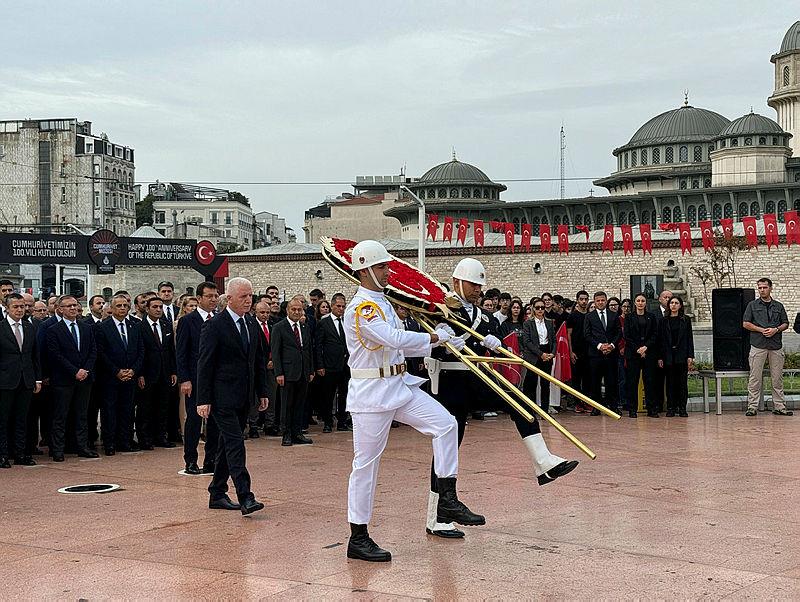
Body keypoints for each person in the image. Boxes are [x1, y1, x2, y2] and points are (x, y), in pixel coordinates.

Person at [344, 240, 481, 562]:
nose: (388, 271)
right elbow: (392, 338)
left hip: (399, 384)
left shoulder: (385, 303)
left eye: (386, 266)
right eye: (381, 267)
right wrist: (434, 338)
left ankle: (447, 495)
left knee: (446, 425)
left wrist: (448, 339)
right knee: (365, 467)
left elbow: (401, 347)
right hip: (371, 394)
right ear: (364, 270)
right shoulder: (362, 307)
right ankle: (358, 536)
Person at [426, 258, 576, 540]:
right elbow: (426, 345)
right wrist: (442, 343)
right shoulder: (440, 310)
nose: (477, 290)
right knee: (448, 449)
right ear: (457, 281)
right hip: (450, 382)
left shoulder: (483, 316)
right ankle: (436, 517)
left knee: (519, 400)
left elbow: (494, 341)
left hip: (477, 378)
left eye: (479, 286)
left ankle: (543, 462)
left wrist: (494, 343)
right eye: (472, 285)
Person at [197, 277, 269, 516]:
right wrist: (203, 399)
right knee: (236, 443)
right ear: (229, 299)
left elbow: (257, 361)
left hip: (244, 396)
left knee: (228, 445)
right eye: (243, 296)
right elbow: (205, 364)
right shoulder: (215, 325)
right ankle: (245, 496)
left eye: (250, 296)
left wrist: (262, 392)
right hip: (221, 398)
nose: (248, 301)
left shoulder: (251, 324)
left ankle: (217, 492)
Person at [46, 295, 99, 461]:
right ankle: (58, 450)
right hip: (63, 380)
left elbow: (93, 351)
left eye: (75, 305)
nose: (73, 308)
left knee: (82, 415)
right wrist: (74, 371)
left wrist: (85, 370)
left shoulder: (86, 328)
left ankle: (82, 447)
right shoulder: (53, 330)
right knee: (60, 416)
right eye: (69, 306)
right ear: (60, 309)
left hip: (84, 379)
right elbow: (55, 355)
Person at [176, 281, 220, 475]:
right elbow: (181, 353)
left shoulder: (220, 319)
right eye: (209, 296)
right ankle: (191, 460)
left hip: (217, 380)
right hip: (194, 380)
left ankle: (211, 459)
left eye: (215, 296)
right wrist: (184, 379)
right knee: (194, 420)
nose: (213, 300)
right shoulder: (188, 321)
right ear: (199, 298)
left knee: (215, 422)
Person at [94, 294, 144, 454]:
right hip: (110, 377)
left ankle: (125, 440)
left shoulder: (134, 326)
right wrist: (116, 371)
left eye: (125, 306)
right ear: (112, 308)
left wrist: (133, 370)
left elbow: (140, 351)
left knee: (127, 410)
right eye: (119, 306)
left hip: (130, 376)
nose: (122, 308)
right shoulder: (102, 327)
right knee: (109, 411)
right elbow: (101, 353)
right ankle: (109, 443)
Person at [0, 293, 41, 467]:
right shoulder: (1, 327)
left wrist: (37, 379)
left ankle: (20, 454)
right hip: (5, 381)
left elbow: (35, 355)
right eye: (15, 307)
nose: (19, 310)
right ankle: (2, 455)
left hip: (26, 380)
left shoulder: (29, 327)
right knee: (2, 420)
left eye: (22, 306)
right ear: (7, 308)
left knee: (21, 419)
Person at [742, 278, 792, 417]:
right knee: (755, 378)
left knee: (777, 378)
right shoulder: (752, 305)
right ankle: (752, 407)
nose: (762, 290)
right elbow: (746, 323)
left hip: (775, 345)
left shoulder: (778, 306)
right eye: (759, 288)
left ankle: (780, 407)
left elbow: (785, 323)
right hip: (758, 344)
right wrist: (760, 329)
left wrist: (776, 329)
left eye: (764, 287)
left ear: (770, 288)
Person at [271, 297, 314, 446]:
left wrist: (310, 370)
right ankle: (286, 433)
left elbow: (308, 350)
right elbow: (275, 352)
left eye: (299, 309)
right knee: (287, 404)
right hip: (287, 372)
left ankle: (298, 432)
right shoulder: (279, 327)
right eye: (293, 309)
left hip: (303, 372)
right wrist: (279, 373)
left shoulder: (304, 327)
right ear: (288, 310)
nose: (296, 312)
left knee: (300, 403)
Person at [138, 296, 178, 447]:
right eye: (154, 307)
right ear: (147, 309)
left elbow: (171, 350)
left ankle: (160, 436)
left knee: (163, 406)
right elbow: (139, 351)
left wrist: (173, 371)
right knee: (145, 407)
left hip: (165, 372)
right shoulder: (139, 327)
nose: (158, 310)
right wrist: (140, 374)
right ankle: (144, 438)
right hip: (148, 373)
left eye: (160, 307)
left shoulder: (166, 325)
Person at [314, 293, 351, 433]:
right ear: (332, 305)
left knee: (344, 394)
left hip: (345, 364)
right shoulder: (324, 322)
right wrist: (320, 365)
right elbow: (318, 345)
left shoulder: (347, 322)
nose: (341, 309)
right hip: (329, 365)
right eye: (338, 306)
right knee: (328, 395)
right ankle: (328, 422)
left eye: (343, 306)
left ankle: (342, 421)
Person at [583, 291, 622, 415]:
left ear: (606, 301)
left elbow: (618, 333)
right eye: (598, 300)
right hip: (595, 354)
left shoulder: (614, 315)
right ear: (594, 301)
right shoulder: (589, 316)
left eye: (602, 300)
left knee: (612, 380)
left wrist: (611, 345)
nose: (600, 302)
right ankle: (596, 407)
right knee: (595, 381)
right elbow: (587, 334)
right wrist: (599, 346)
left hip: (611, 354)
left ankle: (613, 405)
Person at [658, 296, 694, 417]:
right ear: (668, 305)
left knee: (682, 383)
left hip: (682, 354)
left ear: (680, 305)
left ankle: (682, 408)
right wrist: (660, 357)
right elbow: (661, 340)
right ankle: (671, 407)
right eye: (671, 303)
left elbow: (689, 338)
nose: (673, 305)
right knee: (670, 383)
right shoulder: (663, 321)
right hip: (668, 355)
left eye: (676, 303)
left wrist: (690, 355)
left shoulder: (686, 319)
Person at [623, 294, 658, 418]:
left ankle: (651, 409)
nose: (640, 303)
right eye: (638, 300)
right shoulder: (629, 318)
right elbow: (627, 335)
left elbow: (654, 334)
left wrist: (645, 347)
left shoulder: (651, 317)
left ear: (646, 303)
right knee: (633, 382)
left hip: (649, 353)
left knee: (650, 382)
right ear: (635, 303)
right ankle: (632, 409)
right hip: (633, 354)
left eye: (643, 301)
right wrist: (637, 349)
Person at [521, 298, 556, 414]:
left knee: (545, 384)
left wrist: (552, 353)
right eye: (537, 308)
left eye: (542, 307)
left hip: (547, 353)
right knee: (531, 383)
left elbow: (554, 340)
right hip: (534, 355)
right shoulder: (528, 323)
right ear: (533, 309)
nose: (540, 310)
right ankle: (530, 410)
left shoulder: (550, 322)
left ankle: (545, 411)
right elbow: (527, 342)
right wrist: (541, 354)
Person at [252, 300, 279, 436]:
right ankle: (253, 424)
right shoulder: (251, 325)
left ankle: (270, 423)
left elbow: (278, 345)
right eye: (262, 312)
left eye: (267, 312)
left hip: (272, 366)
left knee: (272, 395)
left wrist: (273, 360)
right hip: (257, 367)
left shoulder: (274, 325)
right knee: (256, 396)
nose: (265, 315)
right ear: (255, 312)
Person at [566, 291, 591, 413]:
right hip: (576, 351)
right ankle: (577, 403)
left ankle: (586, 402)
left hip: (589, 352)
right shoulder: (572, 316)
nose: (584, 301)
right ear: (577, 300)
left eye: (586, 299)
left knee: (588, 379)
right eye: (581, 299)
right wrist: (571, 351)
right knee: (576, 379)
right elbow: (568, 334)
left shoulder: (591, 315)